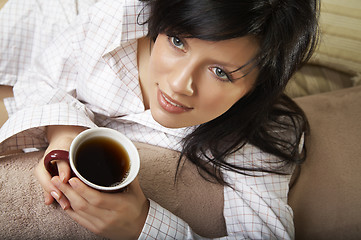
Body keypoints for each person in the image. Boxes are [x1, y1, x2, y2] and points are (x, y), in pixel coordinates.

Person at [0, 0, 319, 239]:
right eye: (178, 41)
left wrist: (142, 223)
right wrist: (64, 133)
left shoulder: (265, 132)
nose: (180, 84)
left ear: (259, 86)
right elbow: (40, 77)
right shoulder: (118, 20)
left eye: (220, 72)